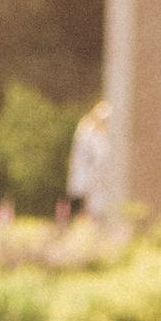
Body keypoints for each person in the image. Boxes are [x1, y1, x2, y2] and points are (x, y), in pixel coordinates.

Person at [56, 93, 111, 227]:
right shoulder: (88, 132)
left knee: (100, 203)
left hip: (101, 177)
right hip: (93, 176)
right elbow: (87, 158)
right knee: (93, 204)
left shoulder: (102, 135)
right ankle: (90, 224)